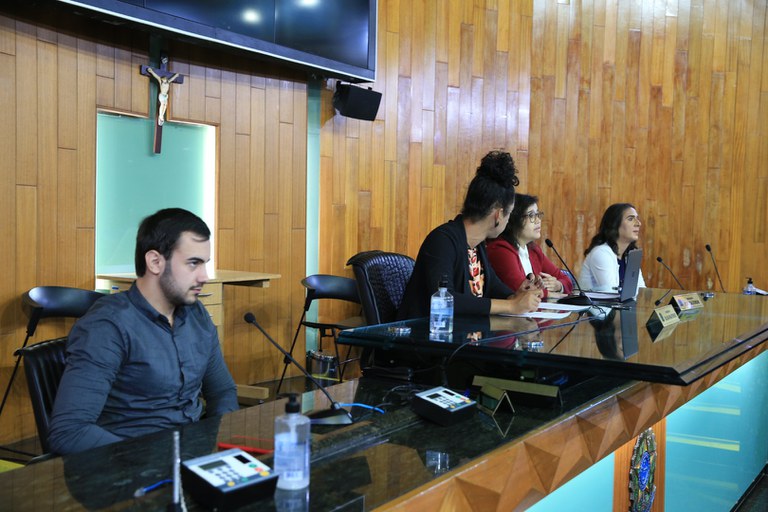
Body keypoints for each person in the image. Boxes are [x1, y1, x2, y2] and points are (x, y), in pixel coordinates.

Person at [48, 208, 238, 455]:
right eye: (193, 263)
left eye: (205, 264)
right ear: (155, 262)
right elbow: (69, 432)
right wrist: (153, 463)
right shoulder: (108, 326)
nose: (204, 277)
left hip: (190, 454)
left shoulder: (196, 315)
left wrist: (221, 447)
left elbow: (222, 391)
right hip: (128, 465)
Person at [397, 151, 542, 320]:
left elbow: (492, 284)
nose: (508, 220)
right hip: (426, 334)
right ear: (498, 215)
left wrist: (515, 296)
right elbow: (445, 299)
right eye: (509, 214)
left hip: (463, 333)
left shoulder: (477, 245)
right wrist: (511, 306)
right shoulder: (442, 241)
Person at [486, 193, 573, 299]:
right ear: (514, 219)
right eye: (531, 215)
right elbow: (521, 290)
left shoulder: (533, 250)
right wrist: (548, 294)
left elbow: (566, 279)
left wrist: (558, 286)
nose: (538, 220)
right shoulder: (500, 249)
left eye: (538, 214)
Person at [580, 203, 647, 292]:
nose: (638, 223)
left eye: (637, 218)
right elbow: (611, 293)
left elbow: (641, 292)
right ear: (615, 224)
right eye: (630, 219)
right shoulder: (601, 253)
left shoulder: (630, 255)